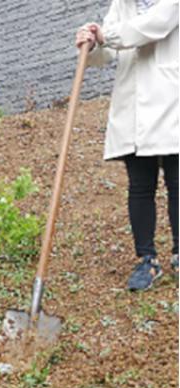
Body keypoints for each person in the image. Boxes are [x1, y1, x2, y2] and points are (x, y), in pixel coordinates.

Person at [76, 0, 179, 290]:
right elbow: (107, 53)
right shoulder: (123, 2)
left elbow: (154, 26)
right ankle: (148, 260)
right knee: (140, 186)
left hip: (172, 101)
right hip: (132, 107)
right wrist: (92, 43)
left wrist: (106, 35)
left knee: (177, 183)